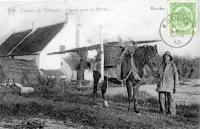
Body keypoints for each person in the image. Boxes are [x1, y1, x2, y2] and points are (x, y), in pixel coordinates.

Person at [156, 51, 179, 115]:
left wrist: (176, 86)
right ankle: (162, 112)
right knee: (161, 98)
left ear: (170, 58)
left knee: (171, 99)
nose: (165, 57)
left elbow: (176, 76)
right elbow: (158, 74)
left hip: (170, 85)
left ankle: (171, 113)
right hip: (161, 84)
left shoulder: (173, 65)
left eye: (167, 56)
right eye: (165, 56)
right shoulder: (161, 65)